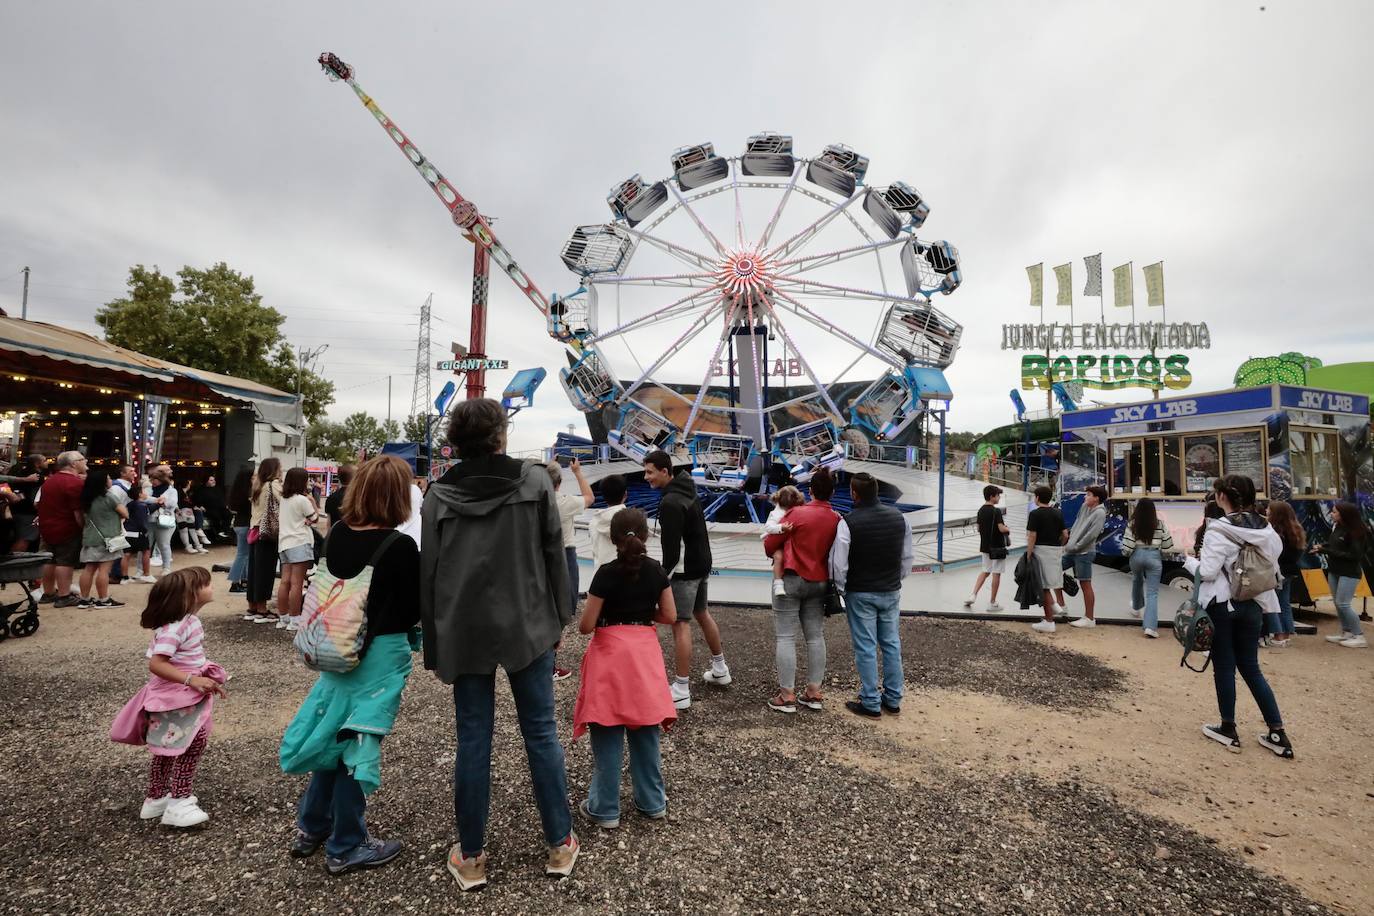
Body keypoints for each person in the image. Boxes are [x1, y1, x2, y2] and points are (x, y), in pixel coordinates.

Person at [419, 398, 578, 889]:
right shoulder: (532, 482)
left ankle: (471, 856)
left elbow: (431, 573)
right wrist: (560, 616)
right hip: (528, 623)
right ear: (500, 435)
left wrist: (433, 640)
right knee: (541, 731)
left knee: (473, 737)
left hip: (464, 629)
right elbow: (555, 552)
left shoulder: (438, 496)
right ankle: (558, 843)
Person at [279, 456, 419, 876]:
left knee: (331, 738)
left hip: (334, 646)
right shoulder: (399, 545)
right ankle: (347, 844)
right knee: (358, 747)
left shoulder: (337, 532)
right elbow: (413, 608)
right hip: (379, 658)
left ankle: (312, 826)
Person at [573, 508, 677, 832]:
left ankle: (605, 808)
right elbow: (670, 616)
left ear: (613, 538)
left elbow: (586, 626)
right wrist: (645, 616)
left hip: (610, 654)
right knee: (645, 727)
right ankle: (652, 802)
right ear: (645, 536)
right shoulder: (657, 571)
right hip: (643, 652)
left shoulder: (604, 573)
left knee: (606, 727)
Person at [1184, 474, 1293, 758]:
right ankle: (1277, 732)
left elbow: (1207, 572)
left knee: (1224, 666)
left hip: (1222, 603)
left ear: (1222, 497)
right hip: (1255, 602)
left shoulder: (1218, 529)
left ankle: (1228, 728)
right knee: (1251, 667)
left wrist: (1189, 560)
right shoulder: (1267, 529)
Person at [110, 568, 227, 828]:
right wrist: (191, 680)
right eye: (205, 583)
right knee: (191, 743)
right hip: (177, 696)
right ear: (190, 594)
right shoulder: (176, 627)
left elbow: (187, 657)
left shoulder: (188, 622)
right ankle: (179, 802)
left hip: (180, 694)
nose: (211, 586)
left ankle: (156, 798)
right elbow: (157, 663)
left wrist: (205, 677)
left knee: (168, 746)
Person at [643, 449, 730, 710]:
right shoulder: (686, 489)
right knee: (702, 612)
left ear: (665, 471)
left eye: (650, 472)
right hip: (702, 563)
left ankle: (681, 689)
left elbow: (672, 551)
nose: (646, 477)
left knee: (681, 624)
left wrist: (659, 580)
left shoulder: (670, 503)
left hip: (685, 570)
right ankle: (720, 668)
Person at [830, 471, 913, 718]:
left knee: (865, 647)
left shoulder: (848, 522)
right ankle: (893, 698)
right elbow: (907, 557)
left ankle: (870, 701)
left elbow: (839, 565)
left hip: (860, 591)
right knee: (891, 644)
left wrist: (843, 589)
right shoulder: (900, 518)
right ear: (877, 491)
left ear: (854, 494)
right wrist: (896, 579)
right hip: (890, 590)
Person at [761, 467, 840, 714]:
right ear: (833, 492)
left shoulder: (797, 514)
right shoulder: (836, 518)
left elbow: (770, 543)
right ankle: (814, 692)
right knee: (815, 637)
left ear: (811, 490)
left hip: (791, 578)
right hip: (820, 583)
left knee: (786, 637)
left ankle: (787, 696)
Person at [545, 458, 595, 681]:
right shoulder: (563, 501)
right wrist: (577, 472)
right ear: (559, 481)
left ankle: (544, 663)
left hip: (540, 556)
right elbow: (590, 498)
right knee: (563, 607)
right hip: (564, 554)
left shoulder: (536, 500)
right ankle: (550, 666)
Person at [1311, 501, 1368, 648]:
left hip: (1349, 573)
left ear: (1344, 515)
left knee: (1344, 603)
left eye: (1335, 512)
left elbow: (1353, 555)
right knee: (1337, 603)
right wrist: (1322, 546)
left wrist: (1326, 551)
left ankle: (1359, 635)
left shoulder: (1357, 531)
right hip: (1334, 570)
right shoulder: (1337, 528)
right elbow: (1336, 544)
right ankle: (1346, 632)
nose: (1332, 514)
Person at [36, 451, 88, 608]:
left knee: (50, 560)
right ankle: (64, 595)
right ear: (73, 464)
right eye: (82, 459)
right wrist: (83, 528)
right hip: (67, 527)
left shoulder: (49, 481)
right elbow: (78, 511)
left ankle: (49, 592)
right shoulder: (74, 483)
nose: (85, 461)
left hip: (47, 526)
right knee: (65, 561)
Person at [276, 467, 320, 633]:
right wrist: (313, 502)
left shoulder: (284, 499)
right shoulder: (302, 500)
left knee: (284, 582)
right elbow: (314, 518)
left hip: (284, 543)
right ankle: (295, 619)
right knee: (297, 583)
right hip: (299, 542)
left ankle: (283, 617)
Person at [77, 467, 129, 609]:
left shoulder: (85, 498)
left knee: (89, 569)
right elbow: (125, 513)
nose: (110, 480)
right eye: (108, 478)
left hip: (90, 537)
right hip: (109, 538)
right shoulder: (109, 497)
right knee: (104, 570)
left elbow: (80, 520)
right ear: (103, 482)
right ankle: (103, 599)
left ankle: (84, 599)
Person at [1122, 498, 1174, 638]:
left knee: (1137, 579)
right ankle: (1150, 627)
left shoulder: (1132, 524)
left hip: (1137, 556)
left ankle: (1136, 607)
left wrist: (1126, 553)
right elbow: (1168, 545)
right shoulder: (1160, 524)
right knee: (1152, 593)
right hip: (1154, 557)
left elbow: (1128, 546)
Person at [1059, 485, 1108, 627]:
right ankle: (1061, 605)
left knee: (1085, 583)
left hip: (1084, 552)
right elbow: (1076, 524)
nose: (1085, 496)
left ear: (1096, 498)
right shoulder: (1084, 507)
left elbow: (1092, 535)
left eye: (1088, 494)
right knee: (1054, 570)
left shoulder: (1100, 513)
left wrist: (1075, 546)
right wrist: (1069, 542)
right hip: (1071, 549)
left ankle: (1089, 618)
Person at [1025, 485, 1068, 633]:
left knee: (1041, 585)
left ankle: (1049, 620)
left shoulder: (1035, 514)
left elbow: (1032, 535)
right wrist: (1060, 545)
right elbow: (1065, 534)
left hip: (1040, 550)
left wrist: (1028, 553)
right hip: (1055, 551)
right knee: (1049, 583)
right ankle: (1054, 608)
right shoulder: (1058, 513)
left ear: (1037, 498)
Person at [246, 458, 283, 624]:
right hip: (267, 532)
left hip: (254, 529)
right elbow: (284, 501)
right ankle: (262, 609)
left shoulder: (257, 485)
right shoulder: (272, 485)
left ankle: (252, 606)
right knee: (265, 571)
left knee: (254, 570)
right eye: (280, 468)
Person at [1265, 500, 1305, 648]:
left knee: (1273, 603)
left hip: (1278, 571)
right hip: (1290, 571)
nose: (1266, 511)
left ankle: (1278, 634)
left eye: (1269, 509)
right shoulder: (1296, 530)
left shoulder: (1275, 532)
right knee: (1284, 603)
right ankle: (1287, 632)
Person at [965, 484, 1010, 611]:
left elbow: (979, 528)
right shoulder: (996, 511)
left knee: (985, 571)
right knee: (996, 574)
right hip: (997, 547)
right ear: (992, 497)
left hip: (985, 547)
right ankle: (992, 602)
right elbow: (1001, 528)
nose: (999, 498)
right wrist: (1007, 529)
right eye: (998, 495)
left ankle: (973, 595)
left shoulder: (980, 510)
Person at [761, 486, 806, 598]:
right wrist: (781, 527)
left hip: (789, 542)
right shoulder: (775, 514)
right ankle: (778, 583)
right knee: (779, 557)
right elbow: (768, 527)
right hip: (778, 543)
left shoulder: (796, 510)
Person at [588, 473, 628, 571]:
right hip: (624, 577)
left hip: (600, 576)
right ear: (625, 494)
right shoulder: (631, 521)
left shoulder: (594, 521)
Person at [146, 465, 180, 575]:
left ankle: (166, 568)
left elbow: (172, 504)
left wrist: (160, 502)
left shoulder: (172, 490)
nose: (152, 481)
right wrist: (158, 500)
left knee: (164, 544)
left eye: (154, 479)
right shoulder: (148, 489)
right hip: (149, 520)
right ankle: (141, 569)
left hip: (164, 520)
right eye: (151, 479)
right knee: (146, 546)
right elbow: (143, 500)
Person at [107, 464, 137, 584]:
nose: (133, 473)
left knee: (121, 548)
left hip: (123, 520)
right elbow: (112, 504)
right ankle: (114, 574)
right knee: (117, 548)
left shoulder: (128, 486)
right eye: (130, 471)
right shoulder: (116, 487)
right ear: (122, 473)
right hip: (116, 521)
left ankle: (118, 574)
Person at [227, 466, 254, 594]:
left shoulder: (236, 492)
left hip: (239, 524)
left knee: (243, 554)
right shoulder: (248, 493)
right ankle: (235, 582)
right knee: (243, 555)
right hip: (246, 524)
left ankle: (243, 580)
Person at [123, 478, 155, 584]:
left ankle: (124, 577)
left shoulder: (130, 504)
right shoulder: (142, 505)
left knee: (127, 554)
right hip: (139, 532)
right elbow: (142, 520)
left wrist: (158, 504)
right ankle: (146, 574)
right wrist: (144, 531)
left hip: (128, 531)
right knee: (146, 551)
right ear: (140, 494)